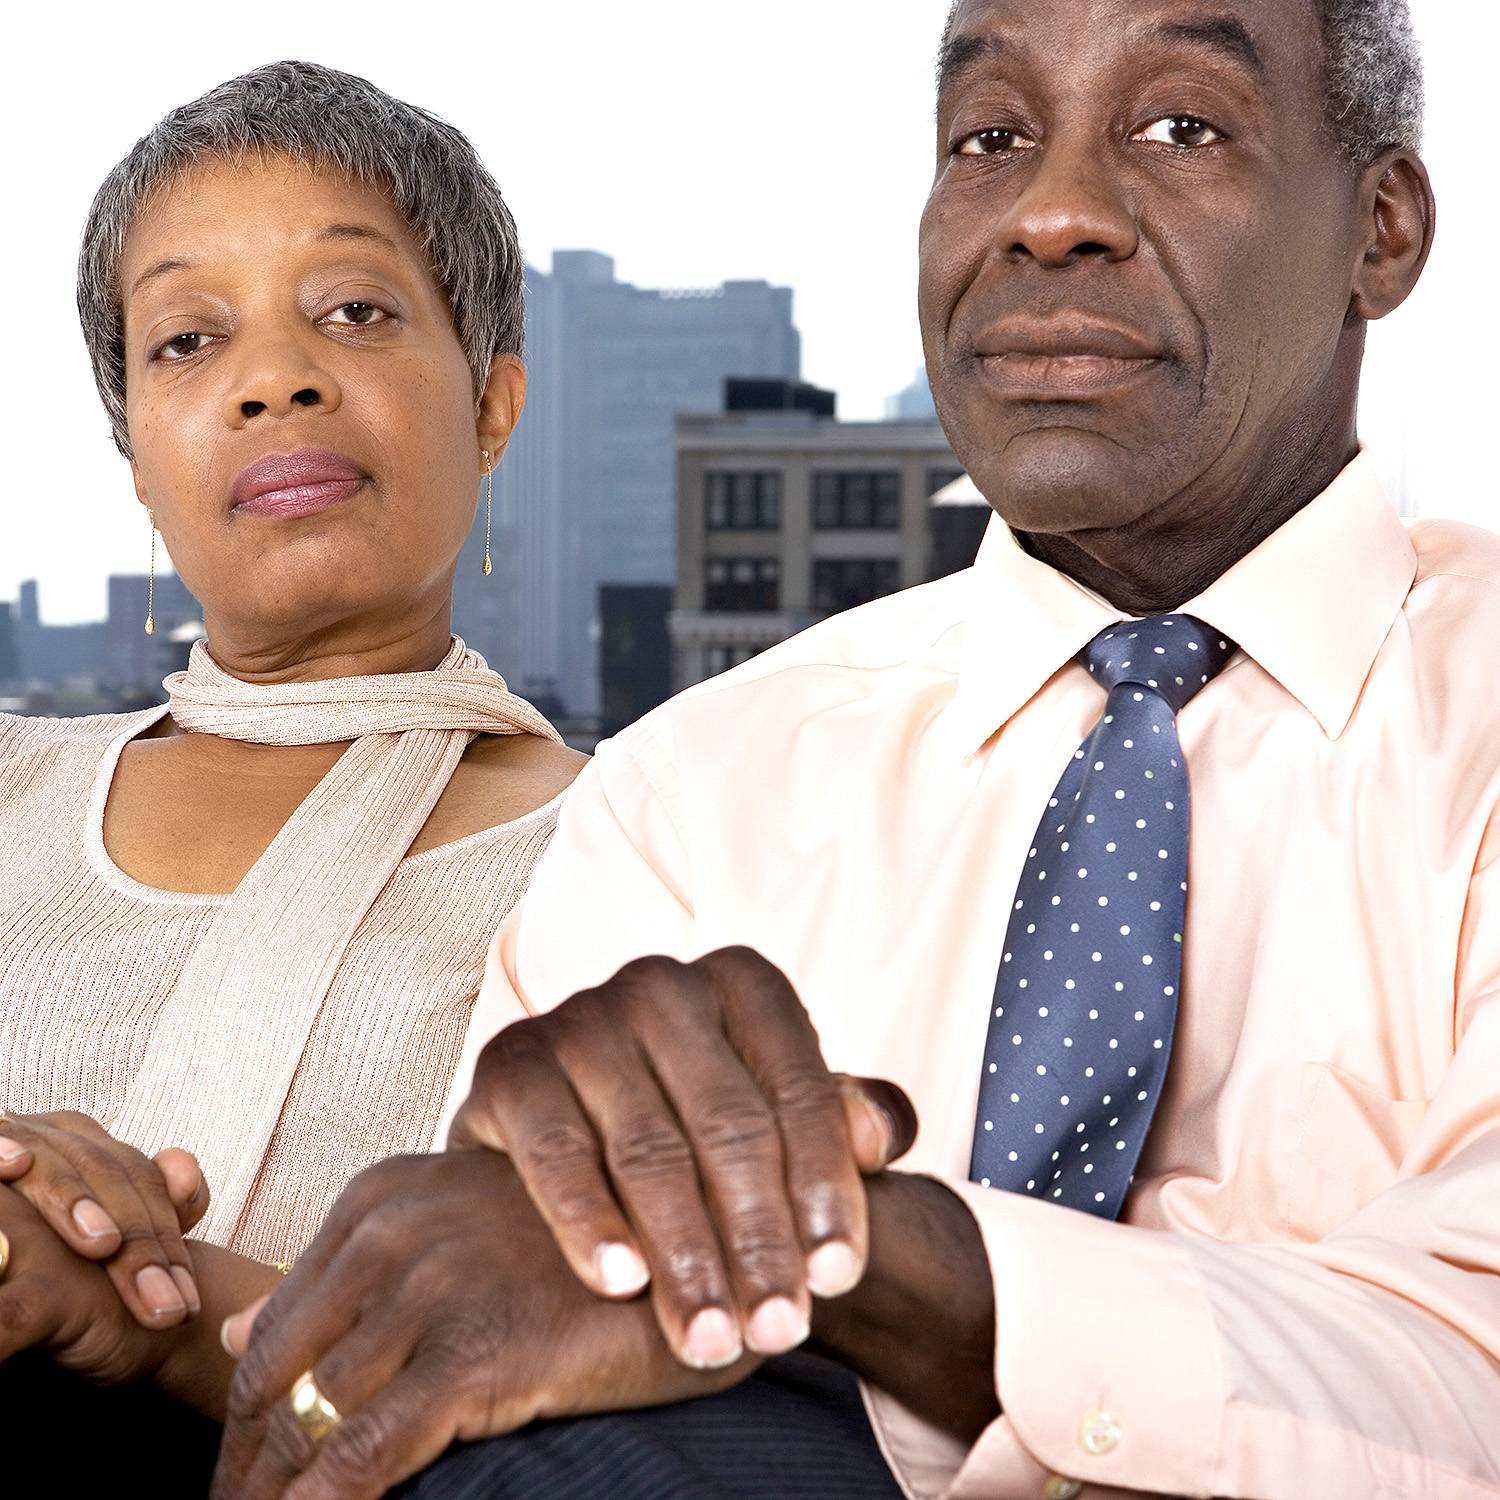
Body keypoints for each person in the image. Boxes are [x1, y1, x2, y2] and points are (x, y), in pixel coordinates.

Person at [196, 1, 1500, 1497]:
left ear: (1382, 230)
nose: (1052, 213)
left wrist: (847, 1246)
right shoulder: (692, 796)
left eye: (1181, 126)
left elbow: (1474, 1371)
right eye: (990, 138)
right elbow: (488, 1333)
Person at [0, 58, 585, 1482]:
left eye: (355, 312)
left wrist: (154, 1303)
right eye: (188, 342)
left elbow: (574, 1378)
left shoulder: (645, 843)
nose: (276, 379)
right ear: (136, 453)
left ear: (492, 402)